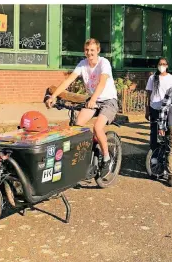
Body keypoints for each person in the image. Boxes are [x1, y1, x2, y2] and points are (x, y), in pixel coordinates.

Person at [45, 38, 118, 176]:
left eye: (92, 50)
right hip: (93, 101)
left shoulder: (104, 63)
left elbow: (102, 83)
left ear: (98, 50)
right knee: (78, 125)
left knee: (97, 127)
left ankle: (107, 158)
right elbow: (68, 80)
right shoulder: (82, 64)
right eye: (87, 50)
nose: (89, 53)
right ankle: (90, 151)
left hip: (108, 100)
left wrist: (93, 99)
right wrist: (54, 96)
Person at [145, 57, 172, 151]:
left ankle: (167, 151)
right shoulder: (152, 77)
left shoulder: (171, 78)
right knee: (154, 131)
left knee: (167, 131)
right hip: (154, 108)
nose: (162, 66)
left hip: (167, 109)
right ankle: (154, 152)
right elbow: (148, 94)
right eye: (160, 64)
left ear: (167, 66)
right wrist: (147, 109)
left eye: (164, 64)